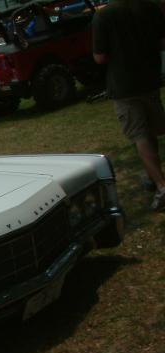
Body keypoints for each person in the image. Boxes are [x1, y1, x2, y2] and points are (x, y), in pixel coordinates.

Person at [93, 0, 165, 211]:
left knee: (139, 135)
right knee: (150, 131)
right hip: (150, 79)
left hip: (124, 85)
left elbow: (99, 57)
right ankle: (152, 177)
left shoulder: (104, 15)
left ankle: (162, 186)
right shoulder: (149, 7)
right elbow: (162, 42)